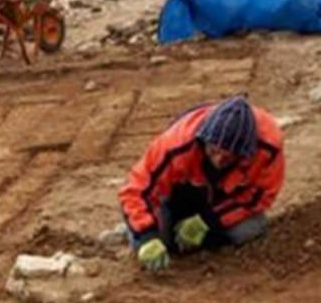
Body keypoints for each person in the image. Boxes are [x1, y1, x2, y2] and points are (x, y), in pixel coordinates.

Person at [118, 97, 285, 272]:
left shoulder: (268, 147)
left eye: (228, 157)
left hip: (224, 199)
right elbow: (135, 190)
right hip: (182, 192)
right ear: (204, 140)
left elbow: (259, 197)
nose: (218, 160)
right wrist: (146, 235)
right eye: (213, 151)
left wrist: (207, 220)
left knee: (249, 228)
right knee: (160, 242)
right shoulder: (177, 142)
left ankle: (199, 243)